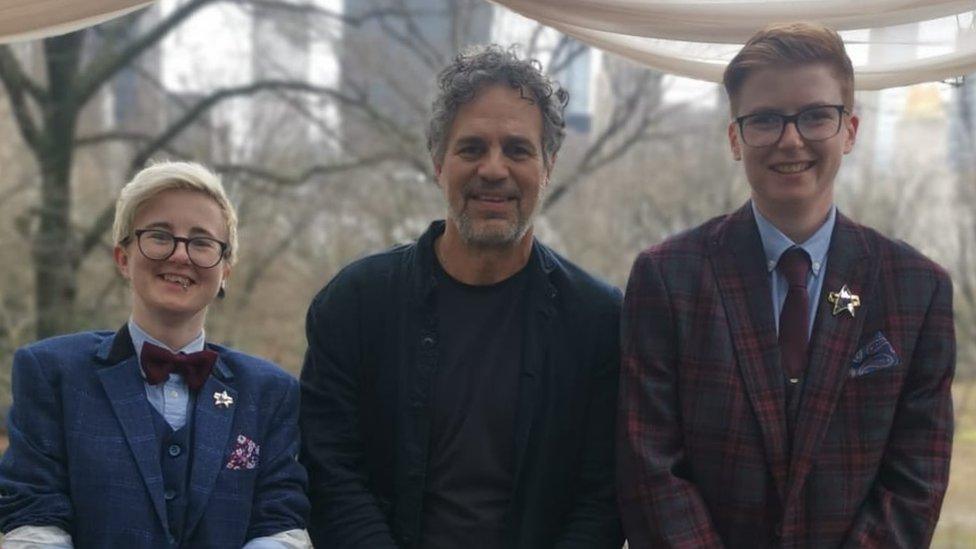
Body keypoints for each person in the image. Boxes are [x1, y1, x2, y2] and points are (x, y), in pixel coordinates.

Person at [618, 22, 955, 548]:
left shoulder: (918, 291)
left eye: (817, 116)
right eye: (766, 119)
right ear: (735, 137)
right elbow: (651, 468)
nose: (790, 139)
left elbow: (914, 483)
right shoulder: (668, 279)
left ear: (850, 130)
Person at [300, 45, 623, 548]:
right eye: (472, 148)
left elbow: (602, 499)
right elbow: (332, 474)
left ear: (549, 165)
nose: (493, 170)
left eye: (517, 150)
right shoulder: (354, 304)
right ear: (437, 163)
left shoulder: (599, 321)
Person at [0, 162, 311, 548]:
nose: (181, 256)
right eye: (160, 236)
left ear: (226, 270)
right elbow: (34, 519)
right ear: (123, 258)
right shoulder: (51, 373)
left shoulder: (270, 393)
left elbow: (278, 524)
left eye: (201, 242)